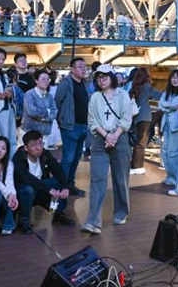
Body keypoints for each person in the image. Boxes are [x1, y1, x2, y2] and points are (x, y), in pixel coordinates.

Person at [79, 64, 132, 235]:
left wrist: (114, 136)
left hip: (120, 139)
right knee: (97, 179)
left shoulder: (123, 95)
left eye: (104, 77)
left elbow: (126, 119)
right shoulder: (95, 97)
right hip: (100, 141)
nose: (101, 80)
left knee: (121, 179)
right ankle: (93, 221)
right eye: (98, 77)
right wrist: (106, 136)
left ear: (112, 77)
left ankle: (121, 212)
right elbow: (92, 120)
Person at [13, 130, 75, 233]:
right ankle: (24, 222)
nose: (38, 148)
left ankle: (58, 214)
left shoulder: (44, 154)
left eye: (40, 143)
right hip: (23, 194)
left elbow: (58, 170)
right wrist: (48, 189)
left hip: (40, 191)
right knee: (27, 189)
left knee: (58, 181)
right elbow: (26, 178)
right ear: (26, 148)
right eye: (33, 145)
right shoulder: (18, 157)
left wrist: (65, 187)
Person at [53, 57, 89, 196]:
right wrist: (61, 119)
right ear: (72, 69)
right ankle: (62, 185)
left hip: (83, 125)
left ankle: (70, 184)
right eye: (80, 66)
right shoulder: (66, 83)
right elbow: (57, 101)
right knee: (68, 158)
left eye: (85, 66)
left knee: (76, 158)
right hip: (70, 126)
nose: (83, 68)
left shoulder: (84, 83)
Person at [128, 67, 161, 175]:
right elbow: (158, 96)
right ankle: (136, 166)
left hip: (136, 117)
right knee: (141, 142)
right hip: (144, 117)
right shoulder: (147, 87)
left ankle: (134, 164)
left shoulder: (134, 87)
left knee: (138, 141)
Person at [158, 69, 178, 188]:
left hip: (176, 125)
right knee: (165, 151)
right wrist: (171, 107)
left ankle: (176, 177)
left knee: (173, 152)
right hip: (166, 124)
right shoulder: (167, 92)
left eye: (177, 78)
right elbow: (160, 105)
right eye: (173, 78)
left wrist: (168, 105)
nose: (175, 80)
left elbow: (175, 103)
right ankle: (169, 176)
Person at [21, 69, 57, 145]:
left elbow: (54, 112)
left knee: (44, 155)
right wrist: (47, 111)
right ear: (36, 81)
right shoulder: (29, 94)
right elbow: (32, 112)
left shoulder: (49, 96)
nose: (46, 81)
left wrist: (44, 118)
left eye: (48, 79)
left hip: (45, 133)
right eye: (43, 79)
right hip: (30, 132)